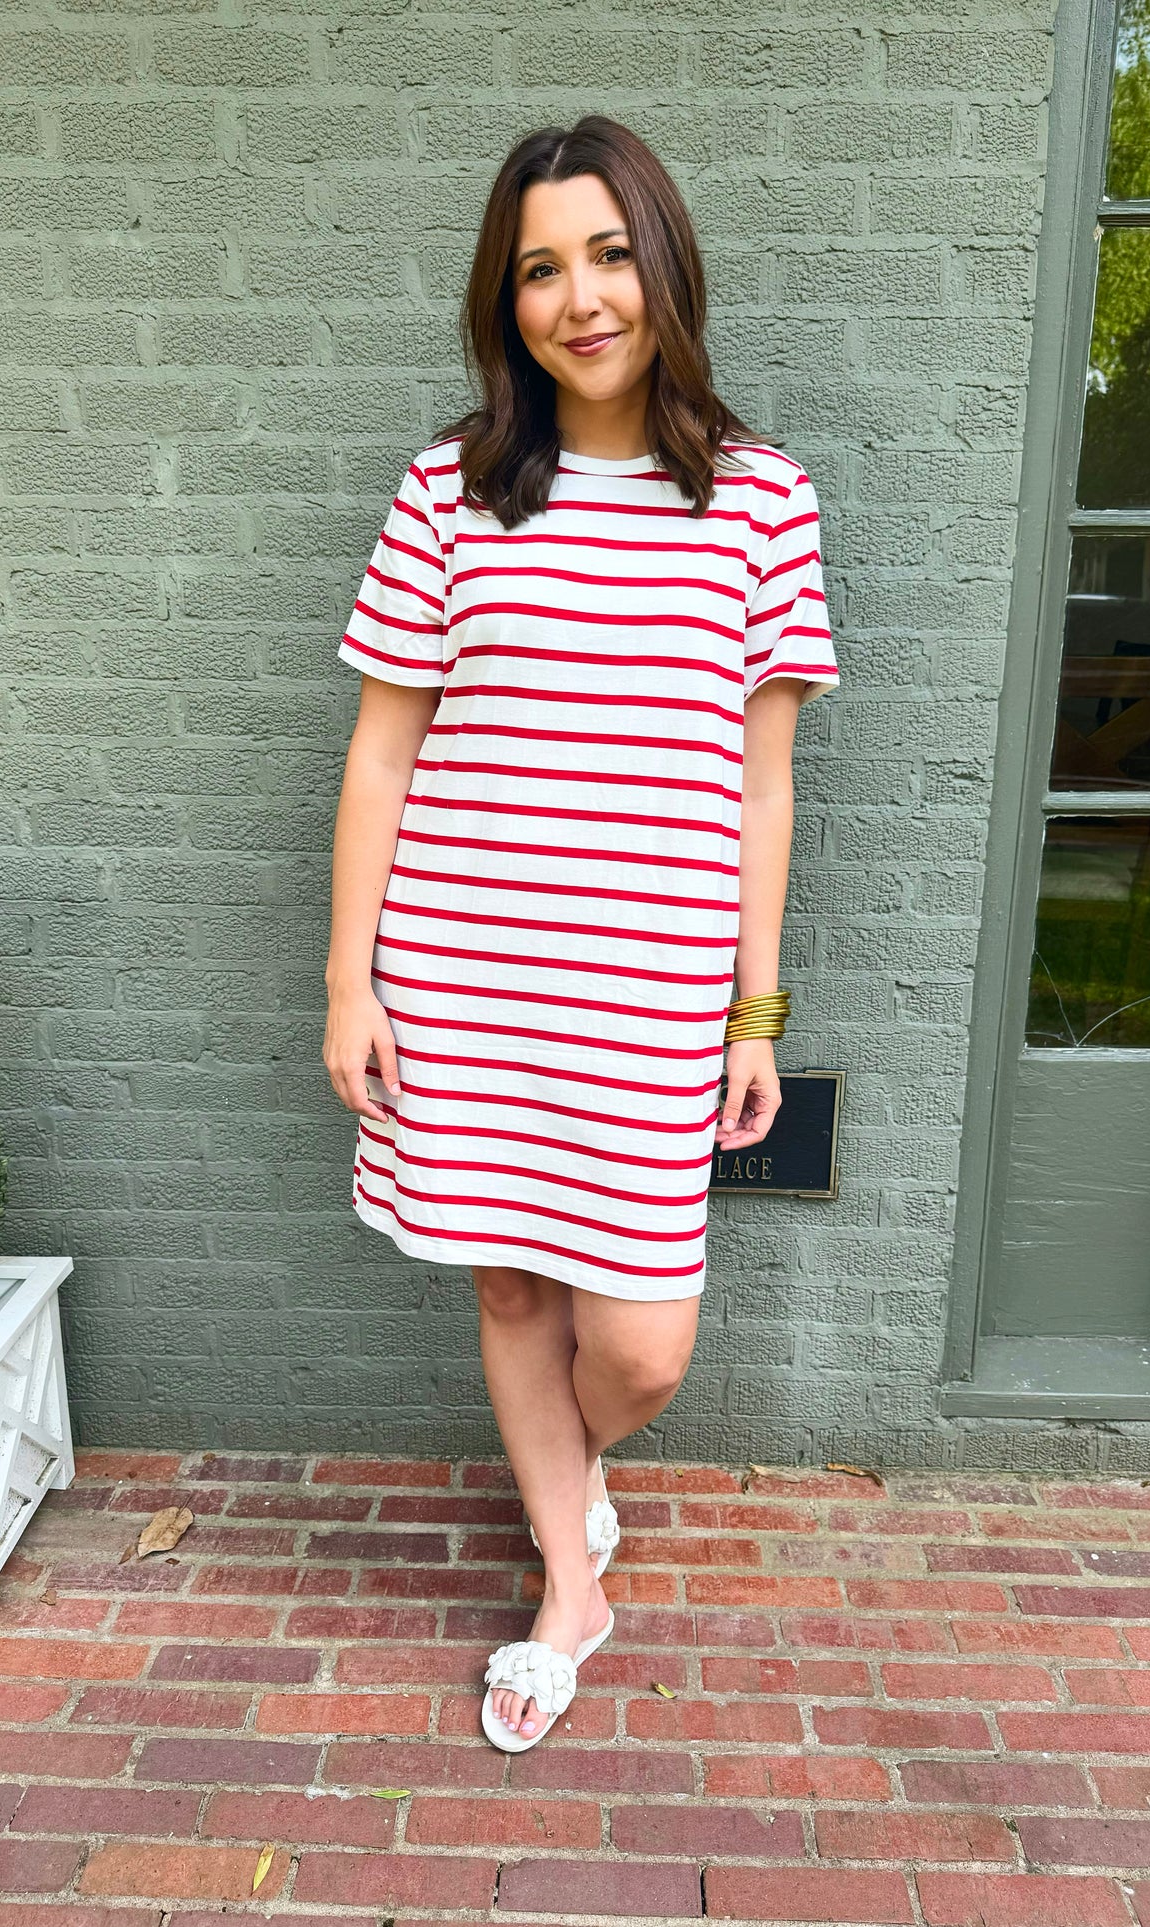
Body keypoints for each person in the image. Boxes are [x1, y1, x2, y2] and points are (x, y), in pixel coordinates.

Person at [324, 114, 838, 1752]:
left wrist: (754, 1018)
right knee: (501, 1300)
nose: (579, 296)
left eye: (608, 254)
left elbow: (760, 785)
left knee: (639, 1346)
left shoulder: (759, 501)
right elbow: (383, 747)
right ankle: (571, 1582)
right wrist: (351, 982)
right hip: (462, 972)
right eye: (539, 267)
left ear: (663, 267)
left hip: (651, 998)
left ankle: (577, 1475)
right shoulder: (450, 492)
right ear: (506, 301)